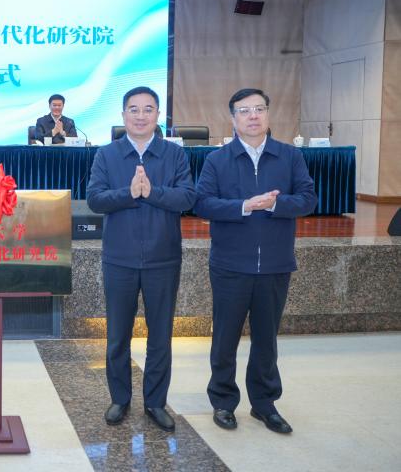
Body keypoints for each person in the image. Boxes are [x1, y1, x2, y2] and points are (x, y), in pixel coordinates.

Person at [195, 88, 316, 435]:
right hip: (230, 265)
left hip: (275, 264)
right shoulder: (218, 160)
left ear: (268, 114)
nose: (252, 116)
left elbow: (308, 199)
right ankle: (223, 401)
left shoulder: (289, 156)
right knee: (225, 338)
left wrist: (275, 204)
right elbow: (202, 203)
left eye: (259, 109)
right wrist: (245, 206)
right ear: (233, 118)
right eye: (244, 111)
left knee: (266, 340)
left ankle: (264, 404)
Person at [86, 86, 196, 432]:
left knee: (160, 335)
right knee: (117, 335)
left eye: (148, 109)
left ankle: (155, 402)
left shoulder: (174, 154)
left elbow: (187, 198)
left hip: (163, 258)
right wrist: (130, 193)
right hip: (119, 258)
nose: (140, 115)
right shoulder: (107, 154)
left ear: (158, 115)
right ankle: (120, 399)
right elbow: (95, 199)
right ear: (123, 115)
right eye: (133, 109)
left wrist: (152, 192)